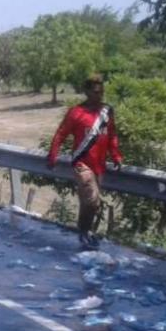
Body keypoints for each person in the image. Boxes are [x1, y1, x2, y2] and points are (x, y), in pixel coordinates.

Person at [46, 74, 123, 249]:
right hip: (82, 164)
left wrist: (116, 156)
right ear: (86, 92)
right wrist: (53, 156)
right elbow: (60, 134)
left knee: (89, 204)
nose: (99, 95)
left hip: (100, 166)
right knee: (93, 200)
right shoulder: (76, 112)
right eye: (95, 92)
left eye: (101, 92)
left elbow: (112, 136)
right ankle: (85, 233)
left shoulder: (107, 111)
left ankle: (83, 232)